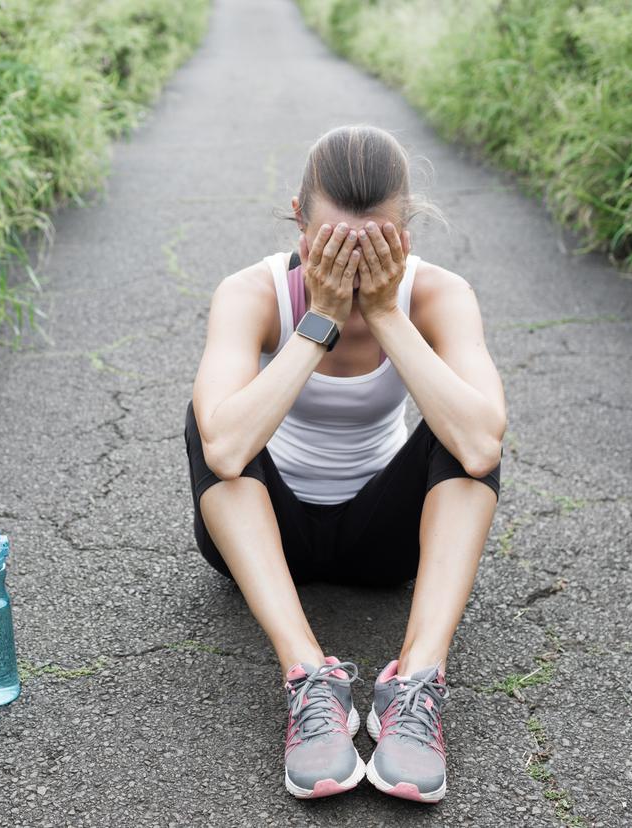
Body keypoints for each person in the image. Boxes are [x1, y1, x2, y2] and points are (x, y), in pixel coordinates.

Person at [182, 124, 505, 803]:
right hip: (264, 536)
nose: (353, 262)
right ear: (300, 222)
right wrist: (318, 320)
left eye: (376, 244)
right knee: (214, 420)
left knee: (469, 425)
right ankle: (308, 677)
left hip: (381, 541)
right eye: (333, 244)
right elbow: (226, 451)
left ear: (406, 231)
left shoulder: (438, 294)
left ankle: (414, 682)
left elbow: (480, 448)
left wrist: (387, 313)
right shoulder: (253, 292)